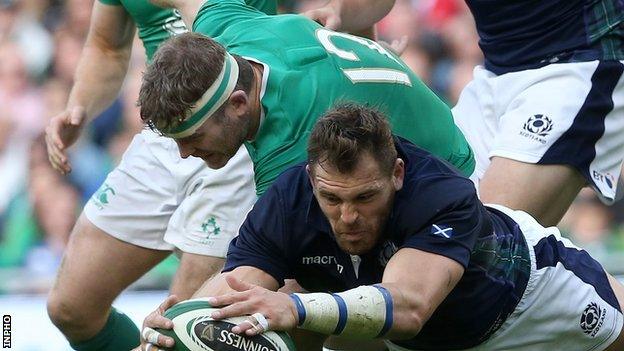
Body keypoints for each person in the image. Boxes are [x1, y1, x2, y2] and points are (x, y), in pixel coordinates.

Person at [138, 104, 624, 351]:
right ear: (312, 179)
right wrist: (186, 326)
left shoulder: (441, 194)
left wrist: (291, 306)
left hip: (533, 300)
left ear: (396, 173)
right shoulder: (288, 200)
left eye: (365, 197)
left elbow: (409, 306)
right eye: (332, 198)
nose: (348, 216)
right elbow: (238, 290)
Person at [44, 1, 275, 350]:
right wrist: (80, 105)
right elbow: (107, 45)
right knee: (71, 308)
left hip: (234, 128)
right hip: (162, 131)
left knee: (183, 330)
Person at [304, 0, 624, 228]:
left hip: (580, 67)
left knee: (485, 244)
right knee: (435, 230)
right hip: (493, 77)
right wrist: (338, 11)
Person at [138, 0, 475, 198]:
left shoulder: (291, 148)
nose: (184, 154)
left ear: (239, 103)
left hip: (446, 183)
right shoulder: (228, 30)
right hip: (431, 136)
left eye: (193, 136)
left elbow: (270, 265)